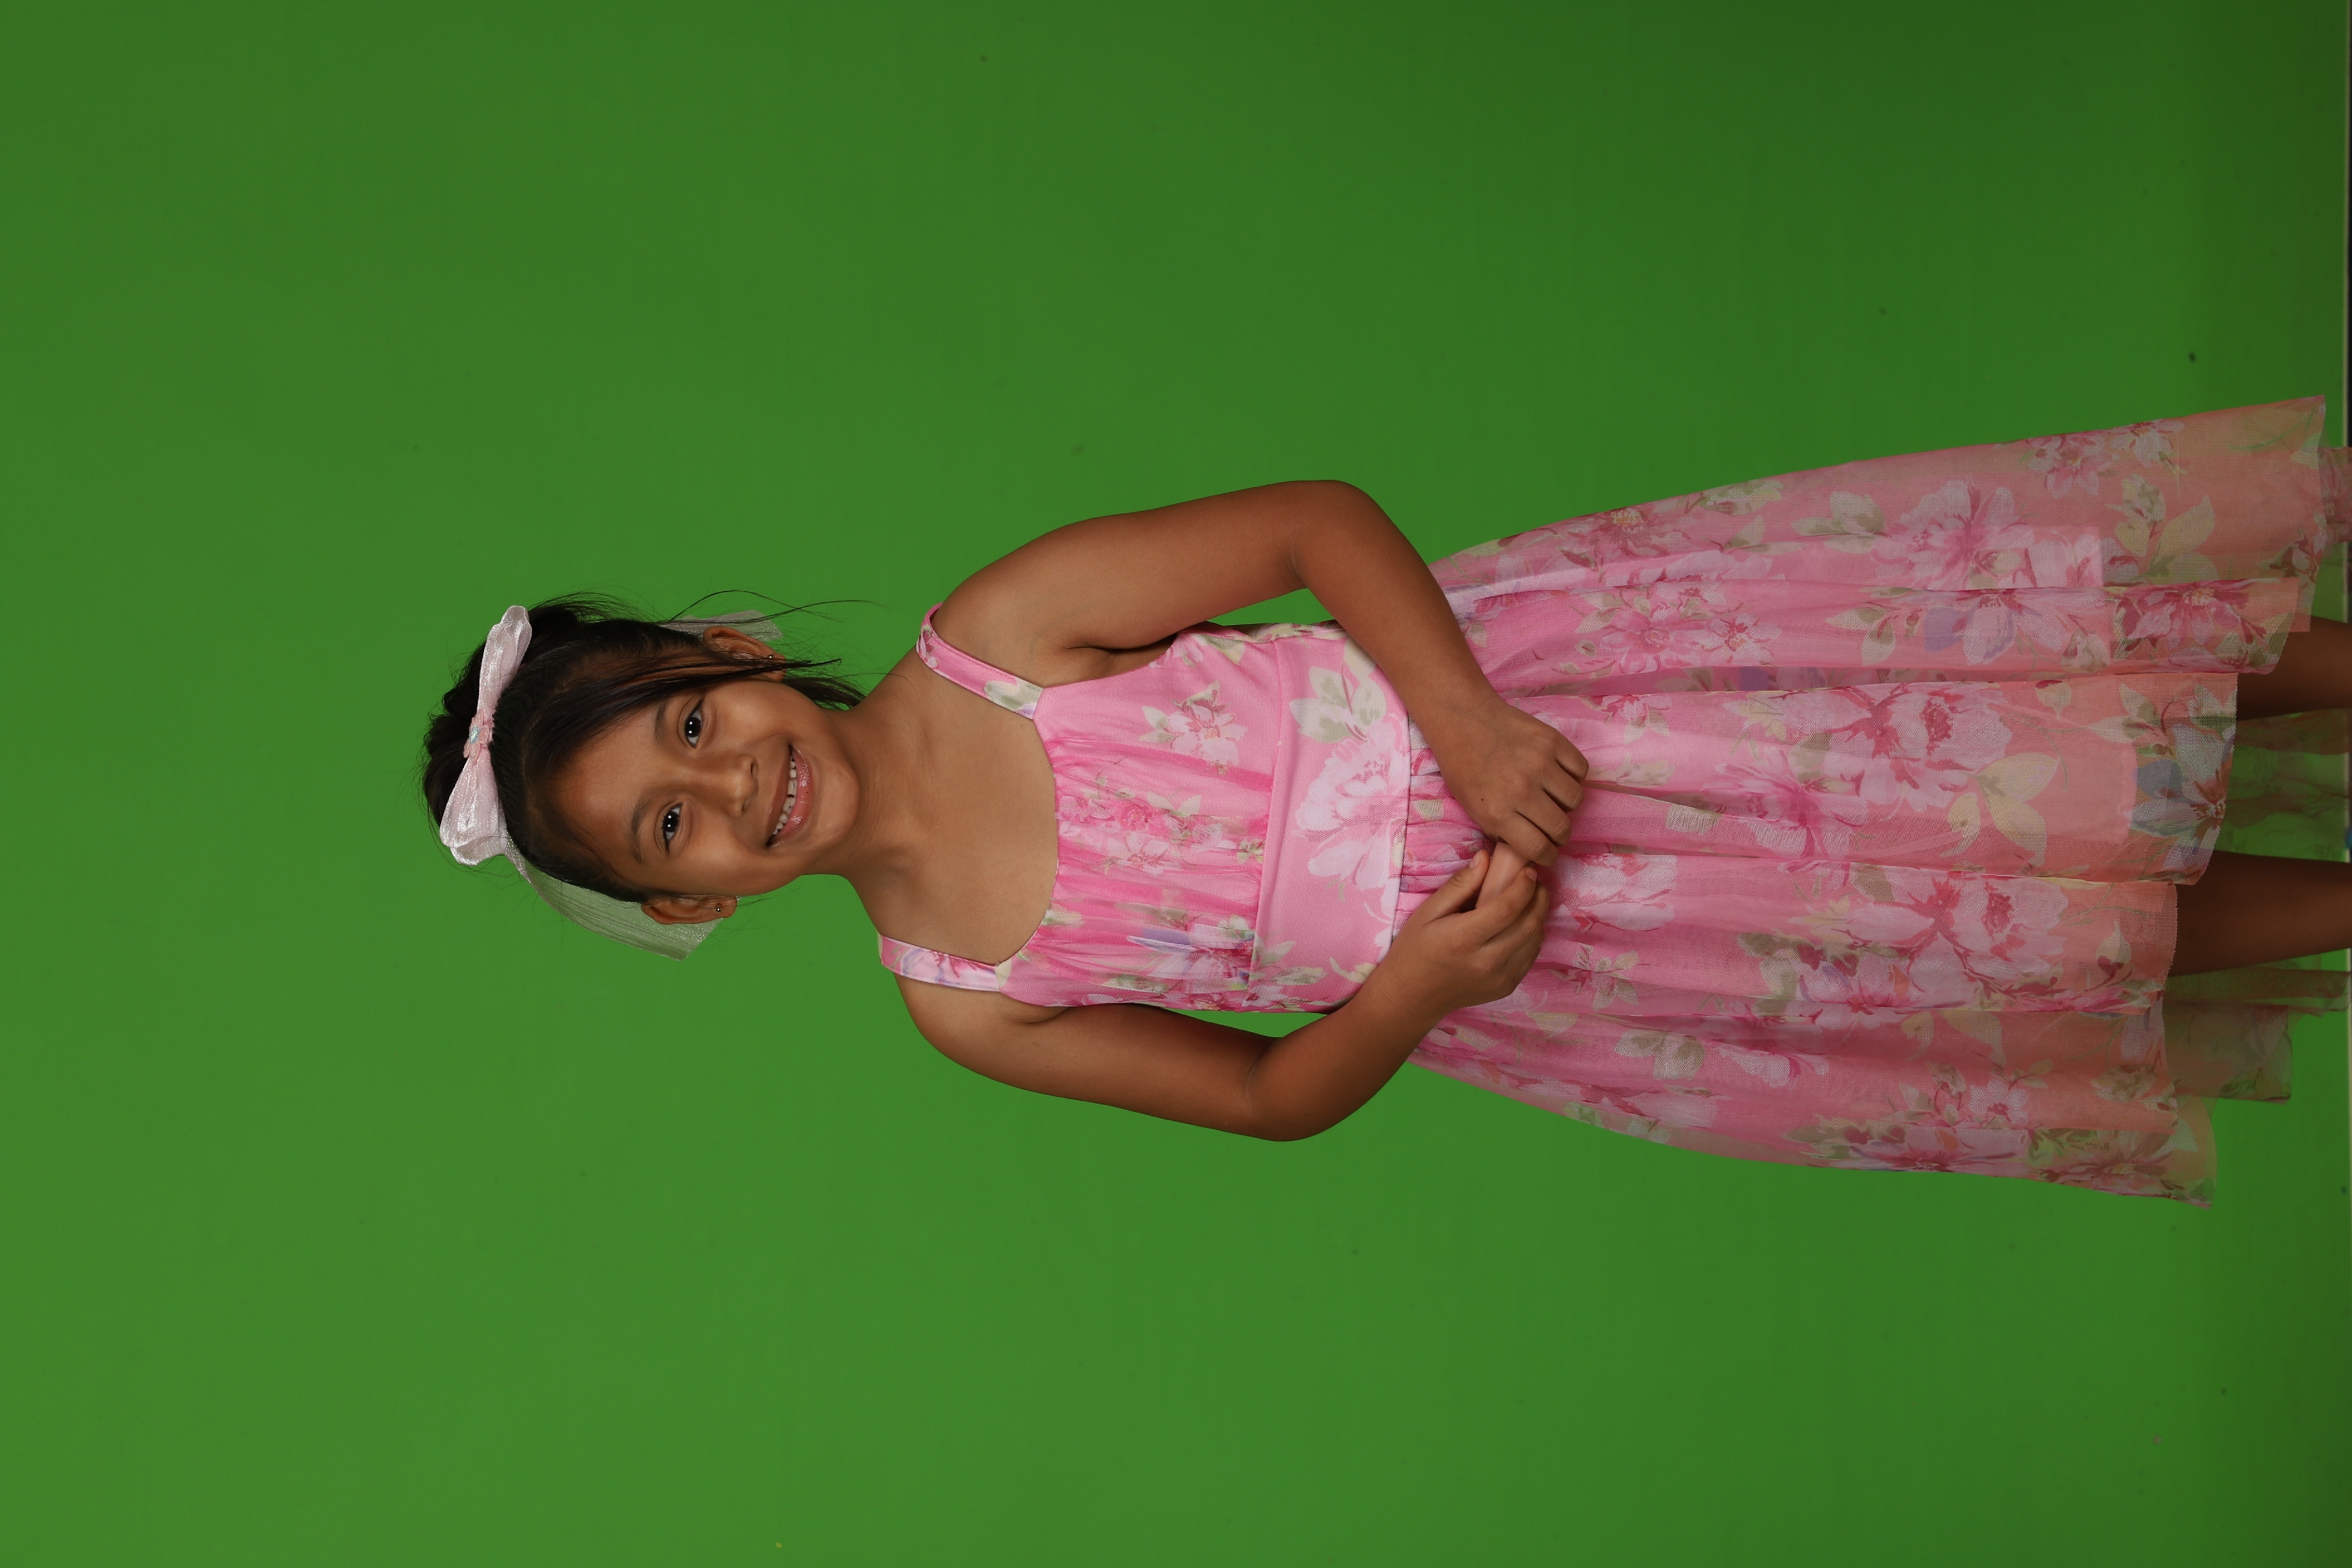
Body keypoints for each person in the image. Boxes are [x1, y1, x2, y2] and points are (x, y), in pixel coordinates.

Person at [423, 398, 2352, 1202]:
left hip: (1564, 708)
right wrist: (1419, 990)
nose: (730, 783)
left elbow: (1310, 524)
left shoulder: (1002, 633)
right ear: (695, 905)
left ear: (729, 651)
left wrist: (1470, 725)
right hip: (1579, 949)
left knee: (2008, 705)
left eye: (691, 724)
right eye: (671, 828)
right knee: (2013, 923)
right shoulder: (966, 998)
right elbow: (1273, 1098)